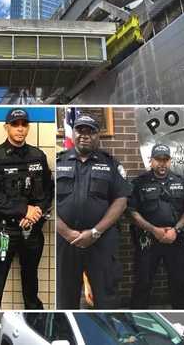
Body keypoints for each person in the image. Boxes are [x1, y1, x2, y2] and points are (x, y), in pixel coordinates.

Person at [56, 115, 131, 309]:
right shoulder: (57, 162)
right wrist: (66, 232)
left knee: (106, 299)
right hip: (66, 242)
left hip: (102, 242)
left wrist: (95, 232)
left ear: (98, 136)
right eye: (80, 130)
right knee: (65, 299)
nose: (85, 136)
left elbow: (121, 201)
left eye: (91, 131)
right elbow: (45, 201)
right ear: (73, 133)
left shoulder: (111, 164)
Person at [0, 108, 53, 309]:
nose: (20, 129)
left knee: (31, 280)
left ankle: (36, 319)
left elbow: (48, 190)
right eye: (15, 125)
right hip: (3, 231)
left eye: (24, 124)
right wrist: (23, 210)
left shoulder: (38, 156)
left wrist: (35, 212)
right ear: (6, 128)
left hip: (32, 229)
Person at [128, 143, 184, 309]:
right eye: (158, 160)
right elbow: (132, 212)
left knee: (179, 283)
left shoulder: (181, 182)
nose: (162, 163)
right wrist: (153, 230)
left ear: (170, 161)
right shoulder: (139, 183)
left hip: (175, 240)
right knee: (143, 283)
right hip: (148, 241)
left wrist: (175, 230)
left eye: (165, 160)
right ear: (151, 161)